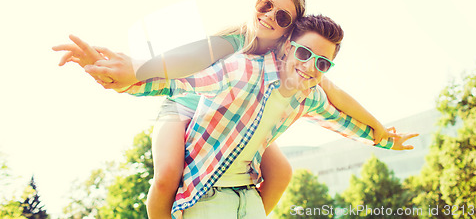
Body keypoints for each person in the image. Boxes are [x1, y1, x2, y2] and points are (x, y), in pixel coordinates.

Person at [53, 0, 392, 218]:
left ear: (289, 33)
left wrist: (377, 129)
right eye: (265, 4)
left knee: (282, 171)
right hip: (187, 100)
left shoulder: (294, 66)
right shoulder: (234, 40)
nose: (270, 16)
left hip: (237, 118)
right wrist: (129, 69)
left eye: (282, 17)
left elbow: (331, 95)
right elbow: (179, 68)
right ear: (256, 3)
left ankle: (242, 206)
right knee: (169, 173)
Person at [117, 14, 418, 219]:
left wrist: (384, 139)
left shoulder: (307, 97)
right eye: (304, 54)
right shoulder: (242, 67)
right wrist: (127, 75)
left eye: (322, 64)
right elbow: (178, 80)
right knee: (165, 176)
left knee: (282, 171)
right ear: (287, 47)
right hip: (205, 192)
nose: (310, 67)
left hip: (247, 198)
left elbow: (341, 120)